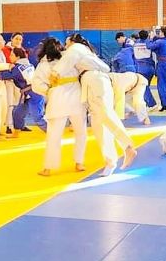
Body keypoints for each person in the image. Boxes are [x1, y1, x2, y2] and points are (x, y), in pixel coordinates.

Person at [67, 34, 138, 177]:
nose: (66, 46)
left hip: (96, 82)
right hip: (94, 83)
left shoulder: (77, 51)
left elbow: (63, 67)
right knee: (98, 126)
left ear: (74, 43)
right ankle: (110, 161)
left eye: (67, 43)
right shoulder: (84, 54)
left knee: (105, 115)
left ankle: (127, 146)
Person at [32, 37, 87, 177]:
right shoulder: (70, 58)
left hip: (57, 98)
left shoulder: (43, 64)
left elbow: (36, 84)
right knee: (80, 131)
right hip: (76, 96)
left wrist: (48, 90)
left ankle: (48, 168)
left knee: (53, 135)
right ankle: (79, 162)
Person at [8, 47, 47, 135]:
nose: (10, 57)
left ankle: (52, 131)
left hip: (34, 93)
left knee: (37, 117)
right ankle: (17, 131)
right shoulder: (29, 65)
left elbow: (6, 75)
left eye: (12, 55)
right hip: (28, 93)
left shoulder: (18, 68)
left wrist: (6, 66)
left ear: (18, 57)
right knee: (17, 112)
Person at [145, 26, 166, 111]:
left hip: (162, 64)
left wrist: (151, 38)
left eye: (160, 32)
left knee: (162, 85)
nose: (159, 33)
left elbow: (149, 46)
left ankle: (164, 104)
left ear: (163, 33)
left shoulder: (160, 42)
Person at [133, 30, 158, 109]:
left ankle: (152, 104)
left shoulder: (135, 44)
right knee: (146, 86)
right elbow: (155, 56)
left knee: (143, 86)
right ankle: (147, 103)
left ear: (139, 36)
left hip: (141, 68)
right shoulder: (150, 43)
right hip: (150, 68)